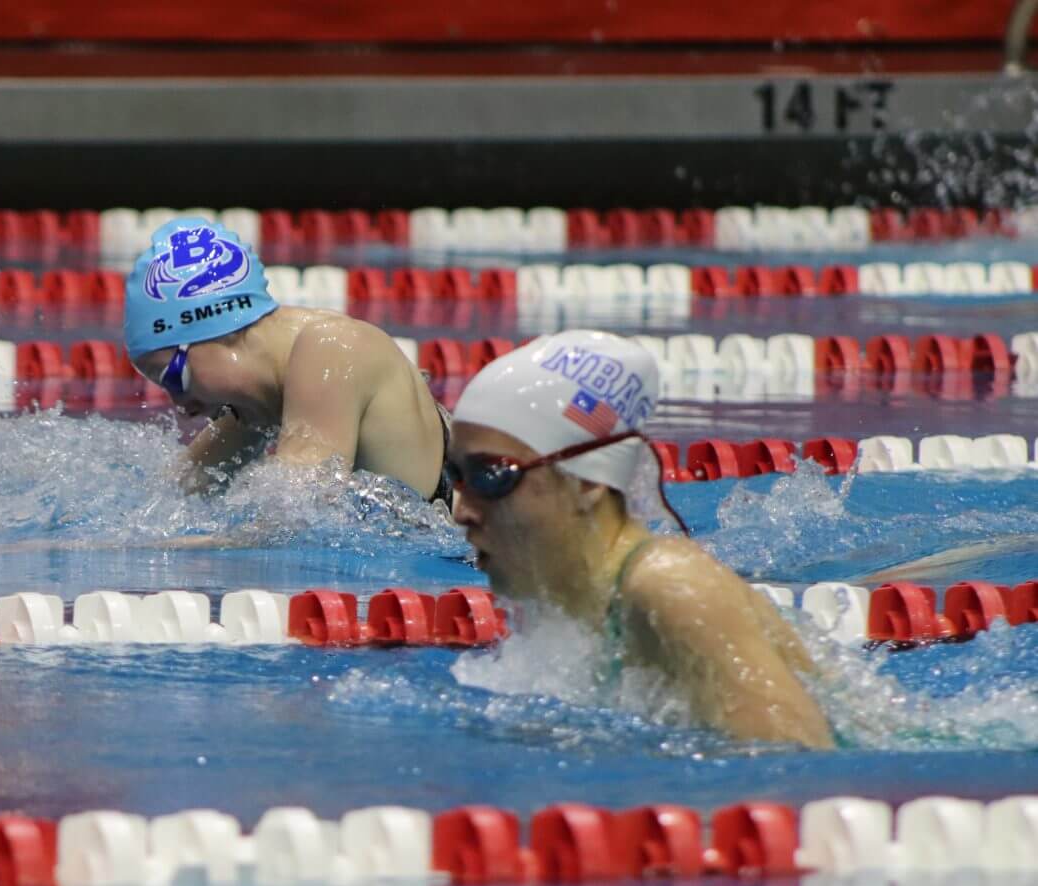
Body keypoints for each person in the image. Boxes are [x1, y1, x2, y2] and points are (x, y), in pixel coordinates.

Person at [445, 330, 834, 748]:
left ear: (586, 482)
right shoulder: (567, 604)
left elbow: (796, 764)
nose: (462, 511)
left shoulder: (670, 588)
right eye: (456, 478)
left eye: (491, 476)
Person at [126, 217, 452, 504]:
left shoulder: (331, 349)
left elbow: (289, 520)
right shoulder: (262, 399)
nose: (183, 408)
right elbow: (170, 497)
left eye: (174, 377)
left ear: (218, 331)